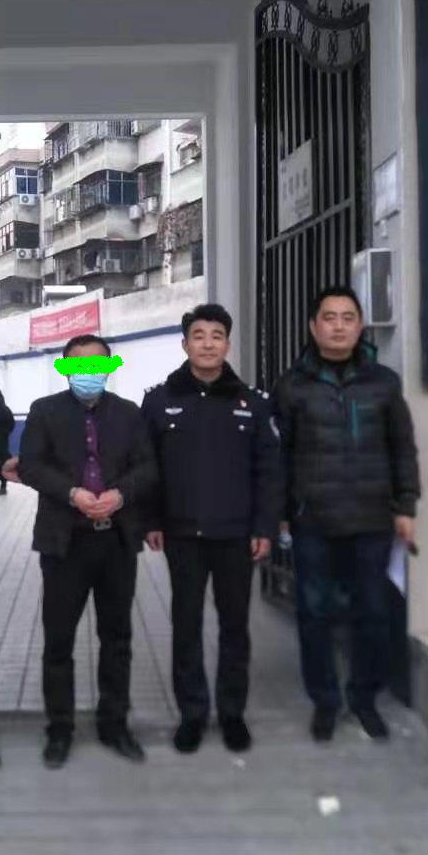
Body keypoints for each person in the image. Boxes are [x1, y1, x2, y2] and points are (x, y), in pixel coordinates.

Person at [273, 286, 419, 743]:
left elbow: (402, 448)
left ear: (360, 326)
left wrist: (406, 505)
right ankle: (325, 701)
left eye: (347, 317)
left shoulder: (383, 383)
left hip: (372, 519)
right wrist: (280, 512)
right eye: (329, 317)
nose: (338, 326)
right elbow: (279, 455)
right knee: (314, 613)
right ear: (313, 326)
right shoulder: (292, 386)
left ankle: (363, 698)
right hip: (313, 520)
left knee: (371, 612)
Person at [142, 304, 283, 755]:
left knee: (234, 627)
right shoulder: (159, 401)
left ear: (228, 344)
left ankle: (232, 713)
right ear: (185, 344)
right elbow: (148, 469)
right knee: (186, 626)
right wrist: (152, 521)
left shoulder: (252, 403)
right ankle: (192, 714)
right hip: (182, 535)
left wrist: (264, 527)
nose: (207, 344)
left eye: (216, 335)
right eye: (199, 335)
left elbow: (269, 471)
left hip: (236, 536)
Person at [14, 334, 157, 769]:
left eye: (97, 365)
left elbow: (148, 466)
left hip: (116, 540)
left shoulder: (129, 414)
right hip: (65, 542)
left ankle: (115, 725)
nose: (88, 373)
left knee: (117, 639)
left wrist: (120, 494)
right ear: (65, 369)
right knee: (59, 641)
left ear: (109, 369)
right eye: (79, 365)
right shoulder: (44, 411)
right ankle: (59, 729)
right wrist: (72, 492)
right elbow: (31, 465)